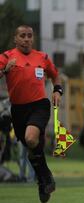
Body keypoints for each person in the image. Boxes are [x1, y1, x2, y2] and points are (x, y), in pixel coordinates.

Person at [0, 25, 62, 202]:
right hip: (18, 109)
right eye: (22, 36)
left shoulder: (42, 57)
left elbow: (55, 76)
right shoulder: (6, 57)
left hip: (39, 105)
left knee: (31, 139)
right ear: (15, 39)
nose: (26, 39)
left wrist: (57, 91)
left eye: (29, 36)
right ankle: (44, 180)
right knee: (32, 150)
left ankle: (44, 178)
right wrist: (5, 71)